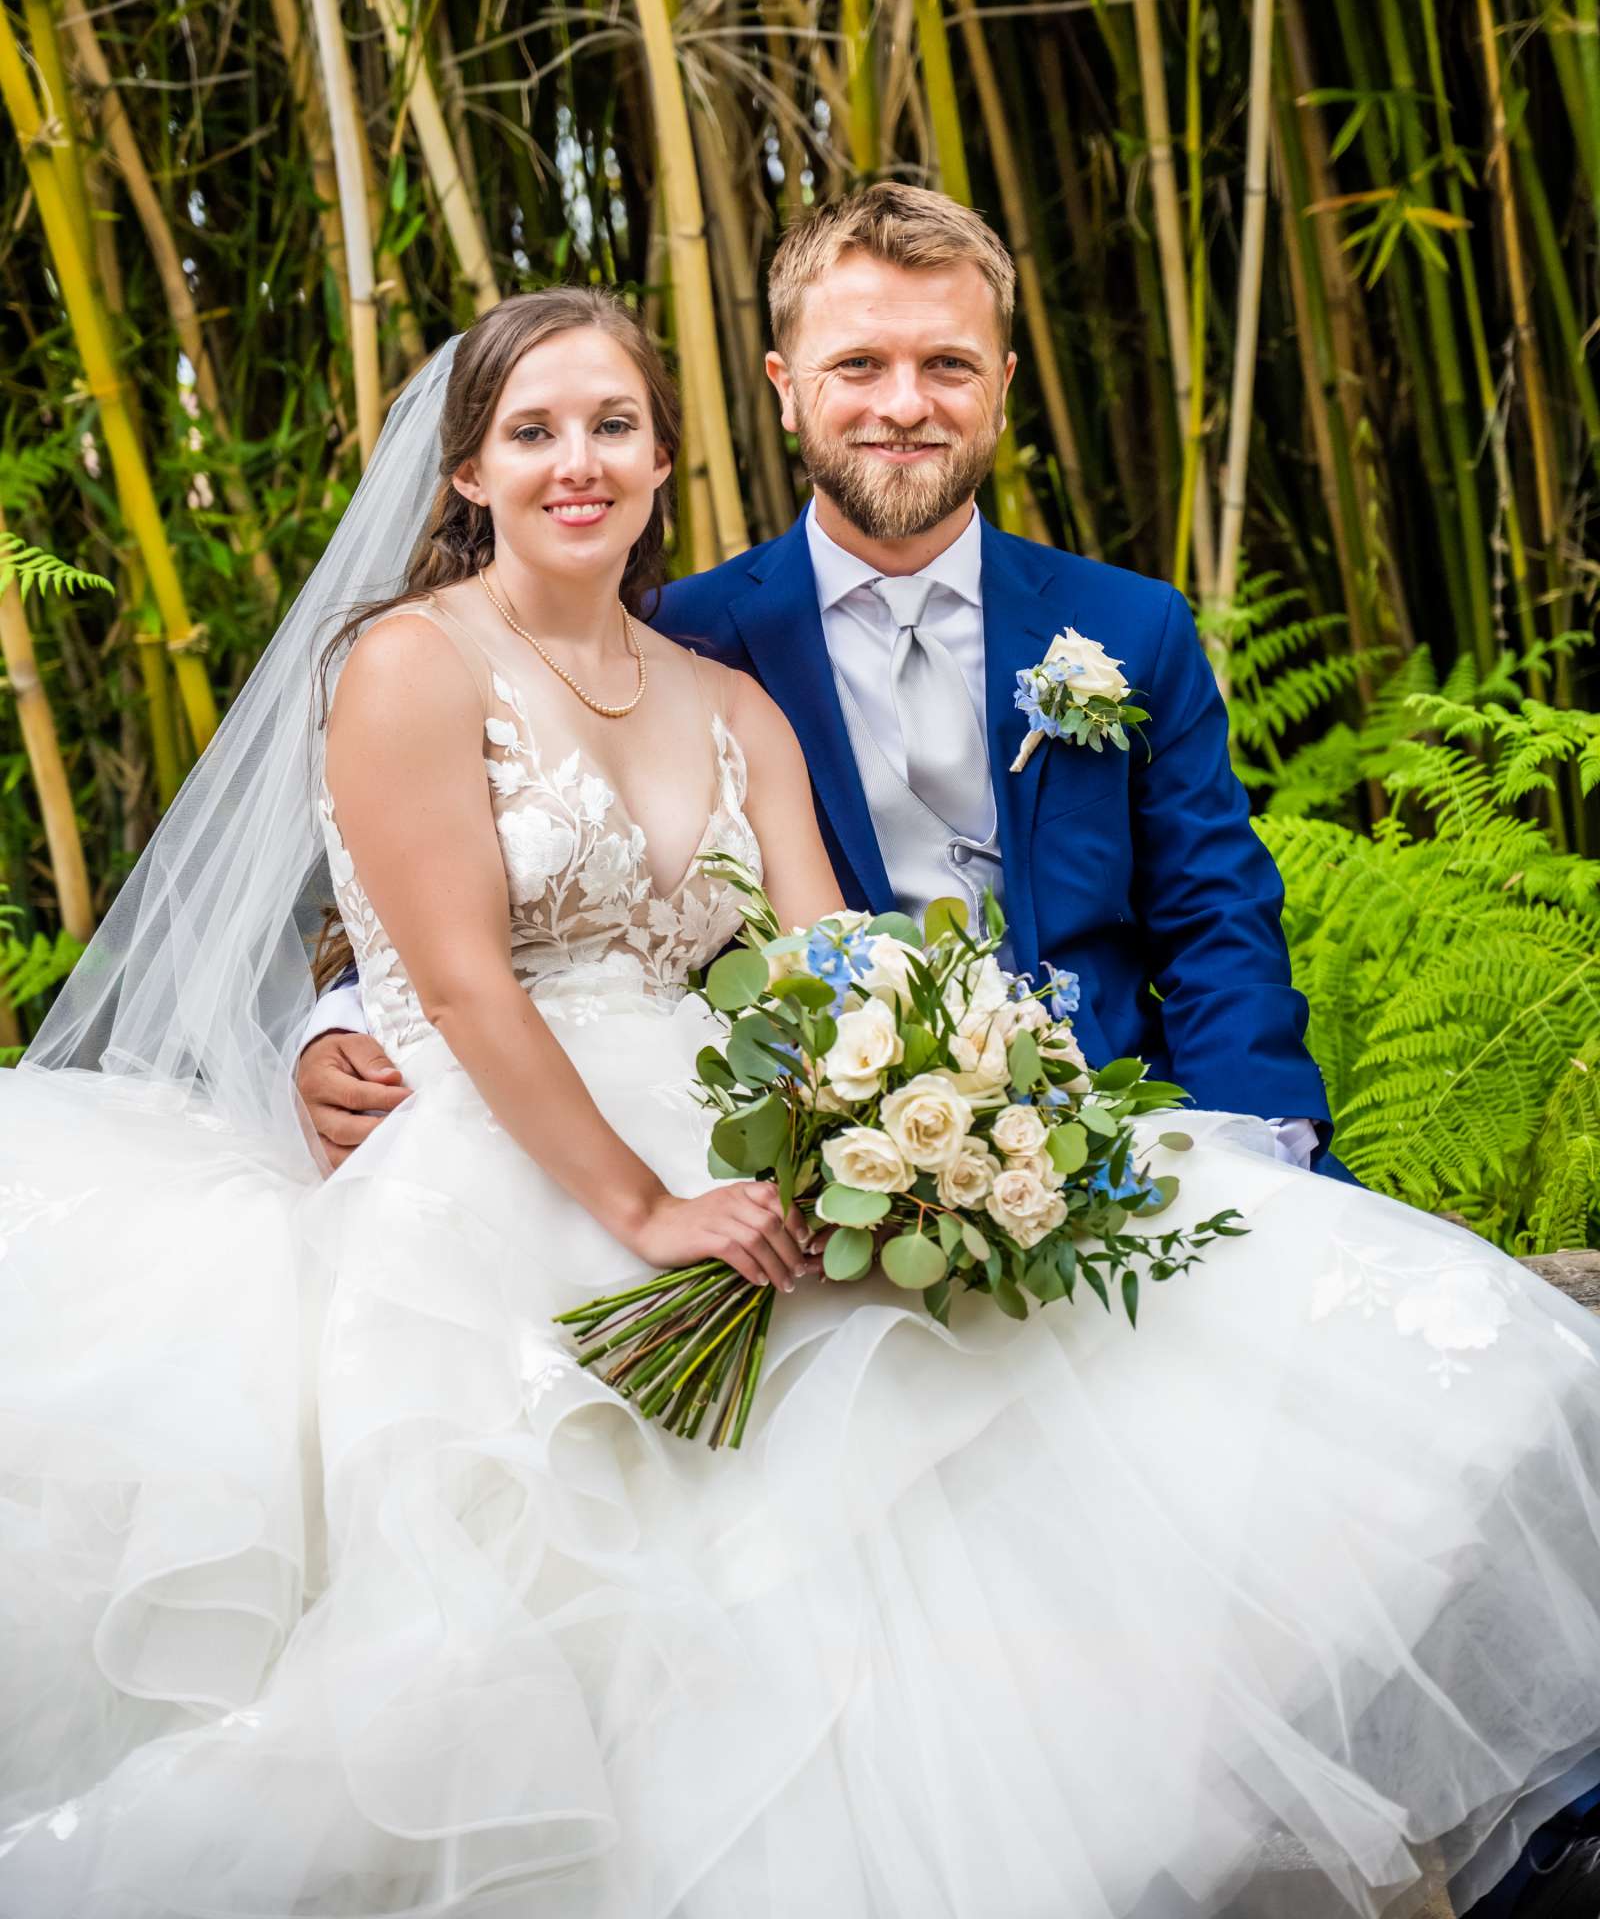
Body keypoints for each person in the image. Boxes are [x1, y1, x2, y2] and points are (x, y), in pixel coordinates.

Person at [3, 285, 1600, 1919]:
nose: (580, 460)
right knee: (619, 1576)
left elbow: (839, 964)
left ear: (667, 453)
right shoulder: (410, 664)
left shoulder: (722, 695)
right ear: (466, 471)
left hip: (727, 1126)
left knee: (1112, 1374)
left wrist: (931, 1125)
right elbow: (466, 984)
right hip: (501, 1165)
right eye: (535, 430)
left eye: (614, 424)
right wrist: (646, 1206)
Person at [299, 185, 1342, 1189]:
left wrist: (1262, 1148)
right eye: (858, 364)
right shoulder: (676, 642)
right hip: (815, 1155)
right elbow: (504, 888)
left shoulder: (1129, 627)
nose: (904, 404)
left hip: (1125, 1126)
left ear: (1004, 386)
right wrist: (347, 1020)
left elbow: (1217, 919)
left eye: (948, 364)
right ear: (784, 387)